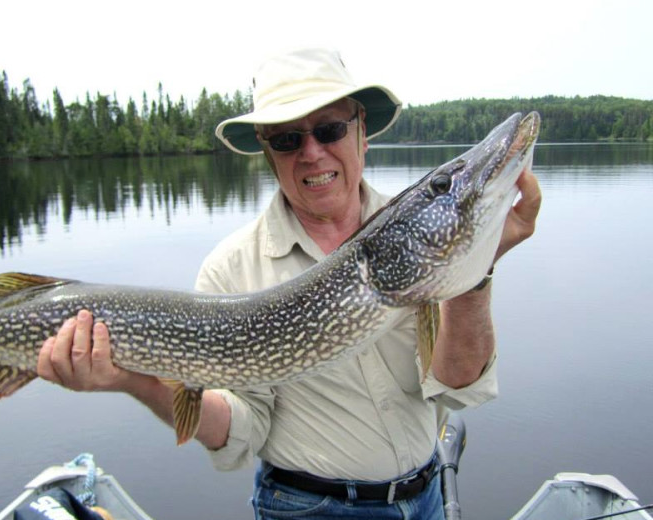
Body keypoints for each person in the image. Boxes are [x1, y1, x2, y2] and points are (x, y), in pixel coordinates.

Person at [37, 48, 542, 519]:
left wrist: (477, 269)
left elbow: (457, 386)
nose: (312, 153)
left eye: (328, 129)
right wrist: (133, 379)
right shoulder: (230, 270)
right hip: (307, 508)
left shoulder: (413, 247)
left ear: (361, 130)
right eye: (287, 139)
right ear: (267, 152)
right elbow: (237, 429)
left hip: (426, 497)